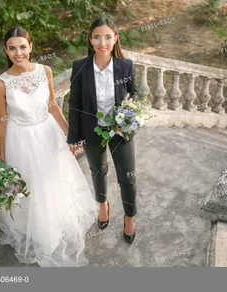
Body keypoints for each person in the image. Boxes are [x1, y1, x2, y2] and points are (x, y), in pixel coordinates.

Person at [0, 27, 98, 267]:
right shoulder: (0, 83)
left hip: (48, 133)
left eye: (22, 47)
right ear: (6, 50)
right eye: (12, 48)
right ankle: (41, 233)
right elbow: (1, 122)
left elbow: (52, 106)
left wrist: (71, 135)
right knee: (32, 185)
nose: (18, 53)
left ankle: (58, 222)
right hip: (21, 139)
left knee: (54, 179)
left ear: (30, 46)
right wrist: (2, 159)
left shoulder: (45, 71)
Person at [67, 17, 138, 244]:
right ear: (90, 39)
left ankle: (129, 217)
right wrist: (74, 137)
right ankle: (103, 205)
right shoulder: (80, 67)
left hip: (120, 130)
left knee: (127, 176)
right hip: (92, 130)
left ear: (115, 38)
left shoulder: (125, 66)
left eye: (108, 37)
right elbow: (75, 104)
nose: (102, 42)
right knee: (98, 170)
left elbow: (134, 95)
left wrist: (128, 116)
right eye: (97, 37)